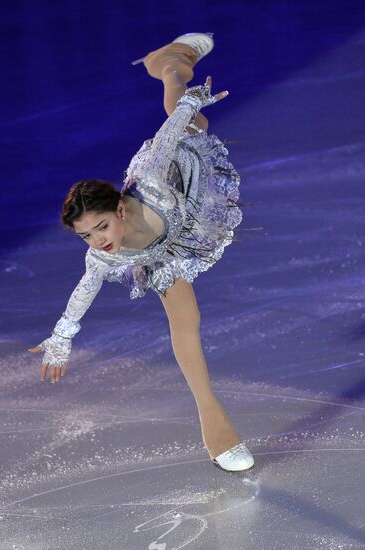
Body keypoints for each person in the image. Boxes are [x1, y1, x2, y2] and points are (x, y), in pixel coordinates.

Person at [28, 33, 255, 473]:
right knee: (186, 324)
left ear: (118, 209)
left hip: (180, 183)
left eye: (102, 227)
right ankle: (215, 423)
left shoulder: (149, 179)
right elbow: (83, 291)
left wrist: (190, 105)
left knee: (188, 122)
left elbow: (166, 138)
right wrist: (62, 336)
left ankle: (170, 65)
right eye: (86, 236)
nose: (98, 241)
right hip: (161, 252)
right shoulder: (104, 255)